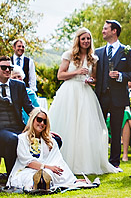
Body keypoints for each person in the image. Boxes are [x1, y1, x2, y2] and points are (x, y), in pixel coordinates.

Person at [49, 28, 119, 174]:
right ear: (78, 40)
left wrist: (91, 80)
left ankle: (84, 163)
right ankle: (64, 161)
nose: (86, 41)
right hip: (69, 92)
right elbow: (60, 75)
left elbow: (95, 78)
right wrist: (77, 72)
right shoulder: (69, 55)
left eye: (88, 38)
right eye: (83, 39)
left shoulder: (93, 58)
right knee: (68, 125)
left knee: (85, 128)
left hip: (85, 92)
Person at [95, 20, 131, 168]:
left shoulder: (127, 51)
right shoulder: (98, 52)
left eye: (105, 28)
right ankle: (98, 160)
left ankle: (114, 163)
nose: (103, 31)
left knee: (115, 130)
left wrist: (120, 75)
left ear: (114, 31)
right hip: (101, 96)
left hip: (118, 97)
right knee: (98, 129)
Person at [8, 110, 86, 191]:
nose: (42, 123)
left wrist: (72, 179)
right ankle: (38, 183)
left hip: (48, 170)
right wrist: (46, 167)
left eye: (45, 121)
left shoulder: (50, 141)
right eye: (39, 119)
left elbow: (58, 160)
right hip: (27, 170)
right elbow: (27, 161)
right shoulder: (22, 138)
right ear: (32, 119)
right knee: (28, 178)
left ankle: (41, 183)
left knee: (50, 174)